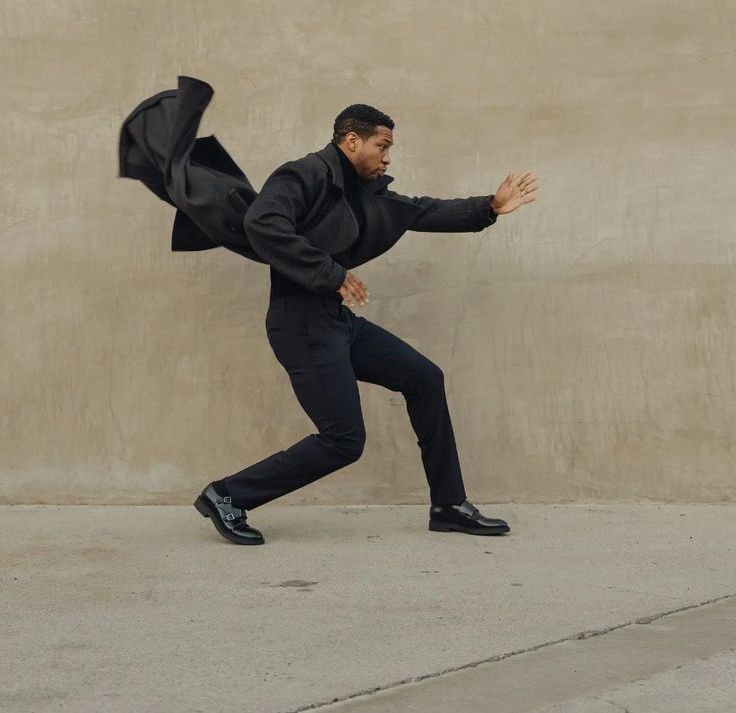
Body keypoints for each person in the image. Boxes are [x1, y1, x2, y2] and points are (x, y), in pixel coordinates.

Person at [192, 103, 539, 545]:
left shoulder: (361, 190)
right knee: (343, 440)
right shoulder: (303, 174)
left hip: (336, 323)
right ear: (352, 140)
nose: (388, 157)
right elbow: (262, 221)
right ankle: (226, 494)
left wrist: (488, 207)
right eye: (383, 146)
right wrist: (332, 274)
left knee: (424, 378)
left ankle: (448, 505)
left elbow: (420, 211)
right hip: (300, 326)